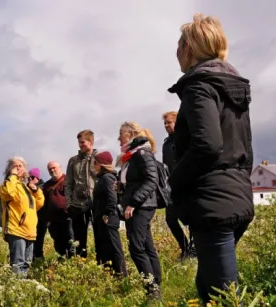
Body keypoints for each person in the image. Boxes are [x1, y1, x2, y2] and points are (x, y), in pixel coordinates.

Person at [168, 13, 254, 304]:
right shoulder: (232, 87)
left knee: (225, 296)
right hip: (236, 196)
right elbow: (246, 148)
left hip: (213, 202)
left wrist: (175, 180)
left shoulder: (199, 85)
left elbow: (208, 144)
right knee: (208, 286)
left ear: (189, 48)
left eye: (179, 46)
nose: (177, 53)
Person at [117, 122, 162, 299]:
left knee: (136, 247)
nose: (118, 138)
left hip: (141, 206)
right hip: (139, 205)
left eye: (121, 134)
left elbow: (151, 180)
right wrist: (121, 186)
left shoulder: (142, 153)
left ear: (131, 134)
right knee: (146, 246)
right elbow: (137, 180)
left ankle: (152, 288)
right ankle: (155, 285)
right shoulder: (131, 156)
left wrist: (133, 203)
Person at [0, 156, 45, 277]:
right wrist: (13, 177)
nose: (18, 168)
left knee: (27, 263)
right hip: (16, 229)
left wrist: (36, 190)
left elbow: (39, 204)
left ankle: (22, 288)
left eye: (21, 166)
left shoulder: (26, 186)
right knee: (18, 263)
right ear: (10, 169)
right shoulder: (7, 184)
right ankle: (15, 289)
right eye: (15, 166)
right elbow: (8, 194)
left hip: (30, 230)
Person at [162, 111, 196, 261]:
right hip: (173, 188)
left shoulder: (187, 138)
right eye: (165, 123)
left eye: (169, 122)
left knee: (193, 219)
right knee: (170, 219)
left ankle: (194, 250)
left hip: (189, 185)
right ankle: (185, 248)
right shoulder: (166, 144)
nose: (166, 126)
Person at [92, 151, 128, 277]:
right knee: (104, 247)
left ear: (101, 164)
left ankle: (121, 275)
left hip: (108, 218)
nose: (93, 165)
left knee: (113, 247)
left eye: (95, 162)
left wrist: (106, 214)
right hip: (102, 218)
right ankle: (109, 274)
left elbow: (112, 199)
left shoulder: (107, 178)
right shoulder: (102, 178)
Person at [65, 129, 98, 258]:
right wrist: (68, 203)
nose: (80, 145)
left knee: (100, 235)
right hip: (77, 204)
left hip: (96, 203)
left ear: (90, 142)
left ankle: (103, 264)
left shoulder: (99, 158)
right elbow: (68, 183)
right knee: (79, 238)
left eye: (82, 142)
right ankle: (80, 263)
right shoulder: (73, 161)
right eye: (79, 143)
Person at [42, 161, 73, 258]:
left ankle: (73, 263)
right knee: (59, 244)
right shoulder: (47, 185)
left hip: (67, 218)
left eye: (54, 167)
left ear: (60, 167)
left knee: (71, 242)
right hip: (54, 221)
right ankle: (62, 263)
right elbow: (44, 203)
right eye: (50, 169)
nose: (52, 170)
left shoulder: (68, 180)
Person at [29, 168, 47, 259]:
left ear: (37, 177)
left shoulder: (44, 187)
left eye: (32, 177)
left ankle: (39, 259)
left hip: (41, 218)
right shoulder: (27, 187)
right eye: (28, 177)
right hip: (30, 219)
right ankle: (31, 259)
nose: (30, 179)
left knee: (39, 240)